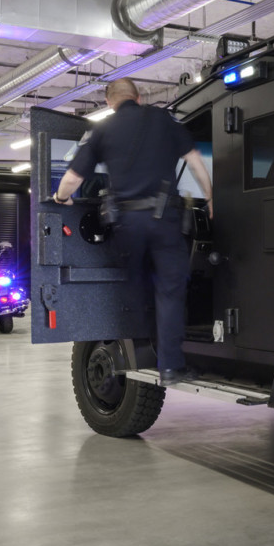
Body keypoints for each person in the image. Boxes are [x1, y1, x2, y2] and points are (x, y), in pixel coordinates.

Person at [52, 78, 212, 384]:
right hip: (164, 218)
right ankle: (170, 367)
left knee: (129, 288)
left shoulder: (103, 130)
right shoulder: (162, 119)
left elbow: (72, 178)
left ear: (110, 103)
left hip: (125, 225)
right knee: (169, 292)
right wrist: (211, 195)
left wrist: (61, 199)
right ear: (138, 97)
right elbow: (194, 161)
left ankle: (134, 354)